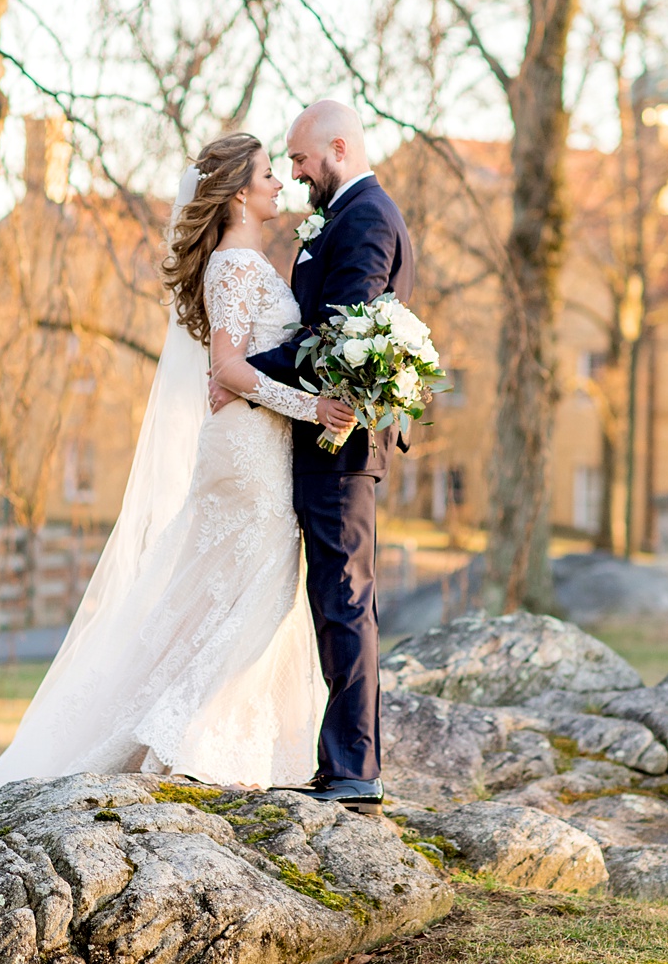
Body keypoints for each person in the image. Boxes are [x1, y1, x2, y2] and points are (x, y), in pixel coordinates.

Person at [0, 131, 356, 827]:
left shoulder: (250, 260)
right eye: (264, 174)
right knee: (251, 585)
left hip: (259, 440)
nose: (278, 183)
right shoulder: (232, 265)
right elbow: (226, 367)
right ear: (234, 194)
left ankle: (216, 738)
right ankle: (190, 740)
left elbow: (249, 361)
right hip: (246, 449)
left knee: (228, 590)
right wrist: (310, 403)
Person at [226, 100, 415, 814]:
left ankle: (354, 769)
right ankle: (343, 762)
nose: (296, 173)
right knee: (334, 598)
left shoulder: (365, 217)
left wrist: (244, 373)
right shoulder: (340, 216)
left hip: (340, 442)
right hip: (319, 439)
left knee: (344, 600)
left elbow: (337, 339)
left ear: (339, 147)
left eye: (302, 160)